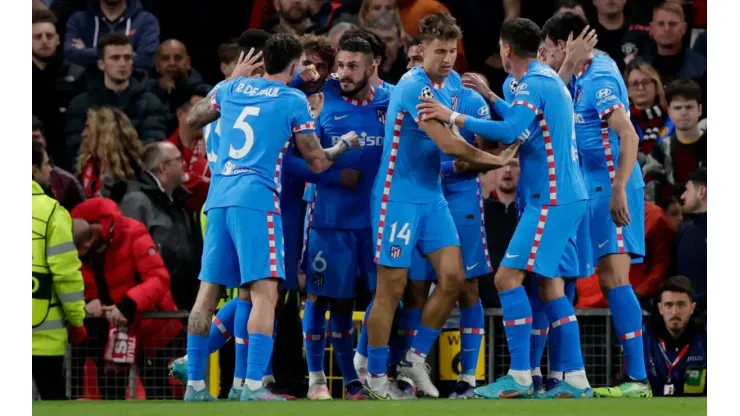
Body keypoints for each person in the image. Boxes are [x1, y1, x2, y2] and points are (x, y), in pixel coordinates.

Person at [420, 17, 591, 399]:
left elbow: (512, 131)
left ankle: (520, 375)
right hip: (563, 195)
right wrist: (493, 98)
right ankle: (576, 377)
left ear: (505, 49)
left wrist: (451, 116)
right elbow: (524, 123)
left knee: (506, 279)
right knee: (548, 284)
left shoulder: (533, 82)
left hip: (552, 197)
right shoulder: (546, 80)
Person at [182, 34, 360, 402]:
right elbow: (316, 159)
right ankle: (251, 387)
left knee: (206, 295)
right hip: (256, 201)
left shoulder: (233, 89)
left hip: (218, 198)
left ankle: (195, 386)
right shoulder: (293, 100)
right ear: (295, 65)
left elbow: (195, 117)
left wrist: (230, 79)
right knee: (266, 294)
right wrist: (344, 146)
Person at [365, 12, 514, 400]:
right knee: (392, 289)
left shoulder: (447, 85)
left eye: (452, 51)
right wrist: (496, 160)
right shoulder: (415, 86)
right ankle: (377, 376)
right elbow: (449, 144)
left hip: (432, 196)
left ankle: (414, 358)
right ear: (419, 50)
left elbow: (453, 137)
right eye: (439, 51)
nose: (448, 59)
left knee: (454, 278)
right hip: (397, 197)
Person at [541, 11, 651, 398]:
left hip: (611, 187)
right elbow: (552, 99)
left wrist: (620, 187)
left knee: (613, 279)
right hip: (586, 189)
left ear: (561, 43)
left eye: (549, 51)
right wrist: (568, 63)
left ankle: (637, 380)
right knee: (565, 271)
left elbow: (629, 135)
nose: (548, 61)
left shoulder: (601, 75)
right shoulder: (578, 74)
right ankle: (563, 376)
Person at [302, 36, 389, 401]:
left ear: (374, 66)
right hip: (329, 219)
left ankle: (362, 360)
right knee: (325, 301)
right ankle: (319, 378)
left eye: (353, 66)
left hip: (375, 219)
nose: (342, 73)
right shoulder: (321, 101)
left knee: (387, 294)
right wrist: (336, 175)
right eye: (340, 65)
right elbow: (298, 162)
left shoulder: (393, 99)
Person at [70, 197, 183, 400]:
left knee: (160, 394)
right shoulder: (81, 243)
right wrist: (89, 299)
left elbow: (158, 278)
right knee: (110, 393)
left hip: (152, 326)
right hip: (110, 330)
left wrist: (128, 305)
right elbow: (79, 277)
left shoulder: (132, 232)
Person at [119, 142, 203, 312]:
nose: (184, 164)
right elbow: (124, 261)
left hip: (180, 304)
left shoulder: (179, 202)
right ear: (164, 167)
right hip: (151, 310)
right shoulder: (137, 201)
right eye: (179, 160)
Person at [64, 34, 167, 171]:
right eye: (115, 58)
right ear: (101, 64)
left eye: (127, 58)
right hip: (94, 175)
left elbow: (154, 147)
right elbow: (76, 148)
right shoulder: (81, 104)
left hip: (139, 176)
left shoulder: (150, 102)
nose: (122, 64)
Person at [32, 146, 87, 400]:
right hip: (44, 336)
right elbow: (66, 275)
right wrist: (77, 321)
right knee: (53, 402)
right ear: (33, 171)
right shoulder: (52, 211)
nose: (50, 170)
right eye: (46, 164)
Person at [32, 9, 86, 166]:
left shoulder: (75, 75)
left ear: (58, 40)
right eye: (37, 36)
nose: (44, 41)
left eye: (49, 36)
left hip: (68, 156)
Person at [643, 79, 706, 205]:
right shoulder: (659, 151)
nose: (683, 112)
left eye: (689, 107)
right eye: (677, 108)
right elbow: (651, 189)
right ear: (669, 111)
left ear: (699, 109)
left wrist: (672, 189)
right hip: (671, 216)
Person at [643, 276, 706, 396]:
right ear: (660, 308)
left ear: (692, 308)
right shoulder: (644, 337)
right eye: (668, 305)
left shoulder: (705, 338)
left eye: (681, 305)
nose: (674, 312)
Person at [64, 0, 160, 72]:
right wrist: (129, 55)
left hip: (133, 91)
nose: (120, 60)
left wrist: (86, 52)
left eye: (126, 56)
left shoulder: (146, 21)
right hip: (85, 89)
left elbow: (146, 61)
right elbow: (70, 54)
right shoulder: (78, 20)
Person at [75, 106, 144, 203]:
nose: (83, 134)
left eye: (88, 127)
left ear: (103, 132)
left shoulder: (131, 174)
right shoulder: (84, 168)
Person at [32, 121, 86, 212]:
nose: (33, 144)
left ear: (44, 140)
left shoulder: (67, 181)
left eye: (35, 138)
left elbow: (83, 215)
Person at [676, 168, 706, 312]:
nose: (682, 196)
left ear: (701, 192)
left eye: (687, 190)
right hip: (690, 320)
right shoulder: (685, 230)